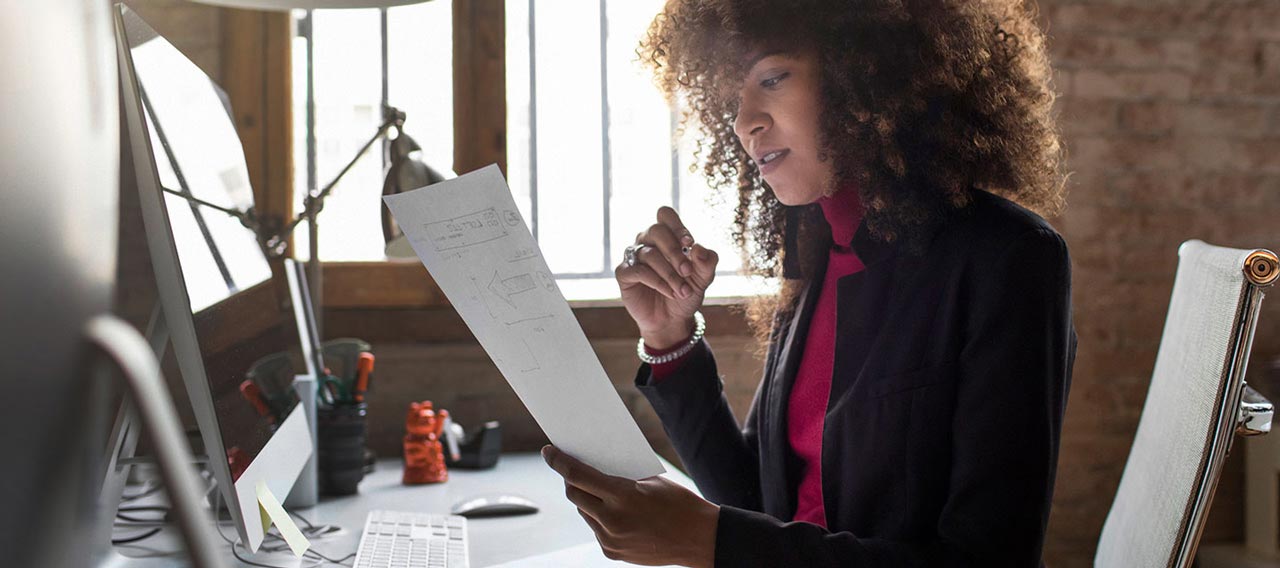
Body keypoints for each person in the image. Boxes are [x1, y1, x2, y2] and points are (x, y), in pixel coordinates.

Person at [542, 0, 1076, 566]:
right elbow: (756, 498)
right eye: (733, 98)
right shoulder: (819, 256)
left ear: (868, 70)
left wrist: (714, 541)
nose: (746, 121)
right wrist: (670, 338)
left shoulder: (1009, 259)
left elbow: (989, 559)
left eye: (771, 78)